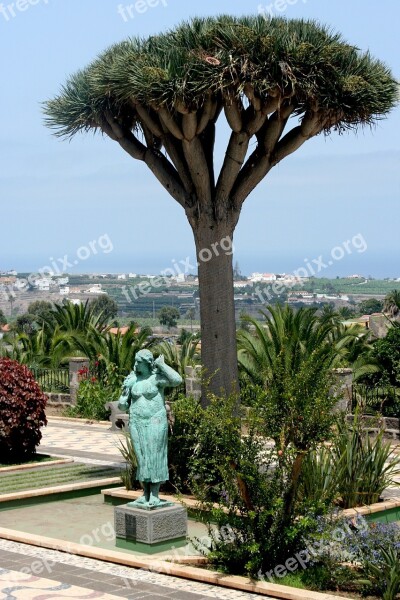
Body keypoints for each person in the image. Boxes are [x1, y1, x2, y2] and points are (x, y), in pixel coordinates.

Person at [118, 349, 182, 507]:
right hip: (137, 422)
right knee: (141, 457)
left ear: (147, 363)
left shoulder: (157, 378)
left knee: (154, 456)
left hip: (156, 421)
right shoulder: (132, 380)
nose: (135, 364)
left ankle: (154, 494)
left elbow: (177, 380)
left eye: (138, 361)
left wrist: (162, 365)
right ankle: (145, 493)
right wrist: (124, 394)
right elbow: (122, 406)